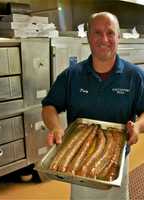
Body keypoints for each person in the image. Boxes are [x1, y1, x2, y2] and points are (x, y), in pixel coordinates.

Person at [41, 11, 144, 200]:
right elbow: (49, 106)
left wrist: (137, 127)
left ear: (118, 37)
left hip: (118, 160)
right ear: (88, 37)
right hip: (77, 161)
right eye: (97, 32)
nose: (104, 39)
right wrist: (56, 128)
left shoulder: (135, 76)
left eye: (110, 33)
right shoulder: (71, 75)